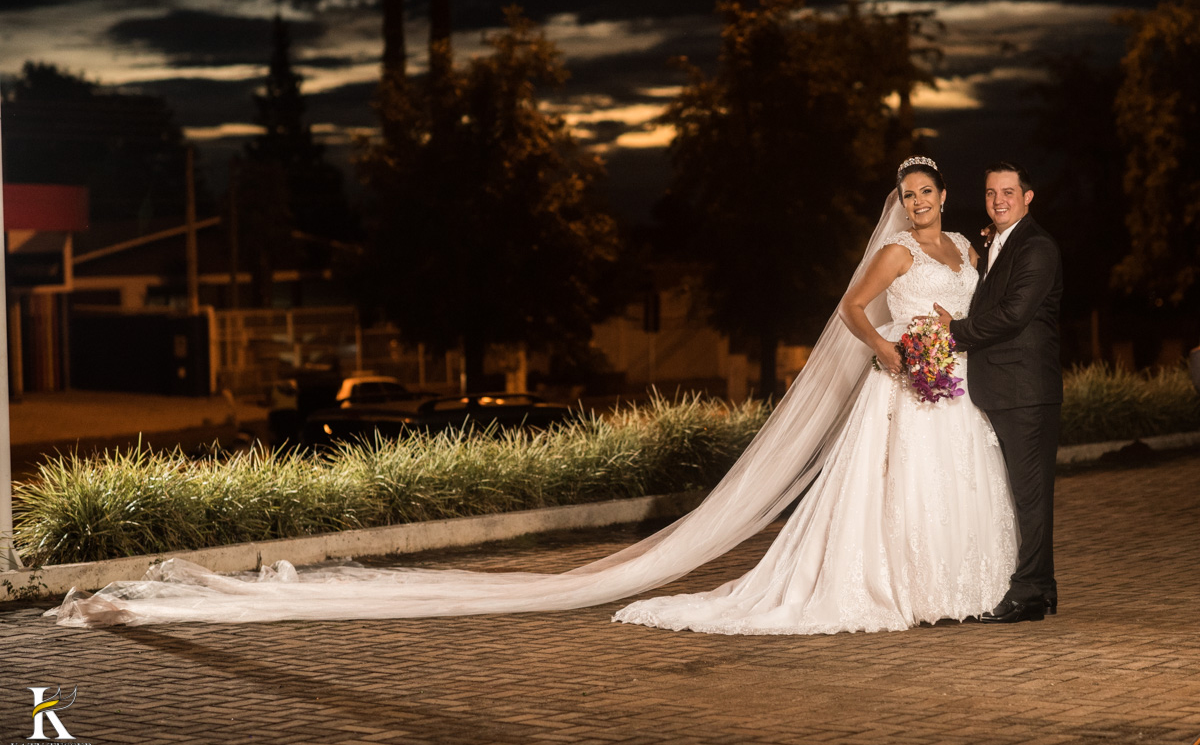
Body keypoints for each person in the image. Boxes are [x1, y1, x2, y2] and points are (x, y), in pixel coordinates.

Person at [49, 158, 1017, 632]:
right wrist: (890, 350)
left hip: (954, 389)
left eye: (934, 194)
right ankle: (893, 586)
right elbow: (851, 310)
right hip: (903, 386)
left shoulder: (965, 250)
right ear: (901, 201)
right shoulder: (892, 251)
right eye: (915, 195)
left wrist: (948, 348)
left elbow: (971, 310)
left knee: (948, 489)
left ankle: (949, 585)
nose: (926, 205)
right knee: (886, 497)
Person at [933, 161, 1062, 624]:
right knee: (1021, 496)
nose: (999, 200)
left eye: (1009, 192)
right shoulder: (998, 243)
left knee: (1028, 498)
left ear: (1029, 197)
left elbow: (1013, 313)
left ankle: (1027, 593)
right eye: (991, 193)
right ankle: (1041, 587)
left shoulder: (1038, 247)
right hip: (1003, 389)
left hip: (1026, 390)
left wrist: (955, 332)